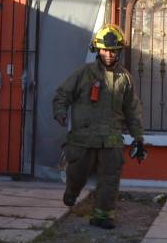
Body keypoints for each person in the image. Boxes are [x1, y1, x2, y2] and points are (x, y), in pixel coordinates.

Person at [52, 23, 147, 229]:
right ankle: (71, 193)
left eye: (113, 51)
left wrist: (138, 138)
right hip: (83, 139)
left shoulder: (125, 79)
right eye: (105, 50)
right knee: (77, 174)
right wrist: (60, 112)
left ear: (119, 52)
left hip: (111, 139)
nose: (109, 55)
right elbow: (62, 94)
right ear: (97, 49)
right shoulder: (83, 74)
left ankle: (103, 215)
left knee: (110, 178)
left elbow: (132, 110)